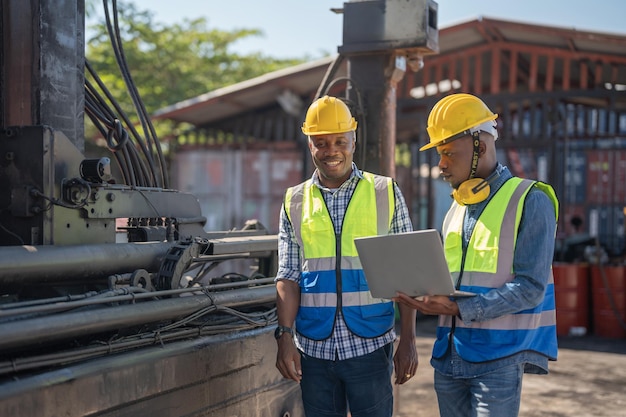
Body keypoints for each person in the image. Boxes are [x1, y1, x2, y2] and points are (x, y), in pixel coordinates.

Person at [394, 93, 559, 417]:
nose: (440, 164)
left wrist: (457, 307)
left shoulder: (530, 199)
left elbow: (530, 288)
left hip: (498, 358)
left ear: (480, 148)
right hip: (448, 355)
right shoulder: (456, 207)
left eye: (448, 154)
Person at [274, 95, 418, 417]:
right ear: (310, 144)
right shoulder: (293, 201)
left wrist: (408, 339)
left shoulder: (385, 192)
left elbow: (407, 272)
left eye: (340, 140)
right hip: (313, 347)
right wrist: (284, 337)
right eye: (321, 142)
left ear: (354, 140)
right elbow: (288, 274)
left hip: (370, 343)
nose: (331, 151)